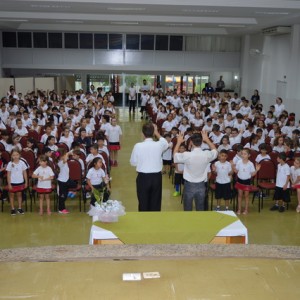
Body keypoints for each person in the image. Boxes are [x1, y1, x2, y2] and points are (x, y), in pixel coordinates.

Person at [173, 130, 218, 211]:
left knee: (187, 209)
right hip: (201, 185)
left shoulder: (187, 155)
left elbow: (175, 156)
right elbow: (215, 151)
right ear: (201, 142)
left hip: (189, 185)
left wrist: (179, 142)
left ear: (191, 142)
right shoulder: (206, 154)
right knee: (200, 209)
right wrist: (207, 139)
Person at [130, 123, 168, 211]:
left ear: (142, 134)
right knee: (155, 202)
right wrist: (157, 133)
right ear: (153, 133)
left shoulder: (138, 146)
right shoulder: (159, 145)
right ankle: (154, 222)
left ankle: (144, 222)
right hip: (156, 177)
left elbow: (133, 162)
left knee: (143, 202)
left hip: (143, 177)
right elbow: (165, 143)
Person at [232, 148, 260, 215]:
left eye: (245, 154)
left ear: (249, 155)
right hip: (239, 181)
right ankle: (239, 209)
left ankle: (246, 209)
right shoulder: (239, 162)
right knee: (240, 195)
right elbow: (236, 171)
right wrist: (233, 166)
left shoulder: (250, 164)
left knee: (246, 196)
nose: (243, 155)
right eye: (242, 154)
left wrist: (256, 170)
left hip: (247, 182)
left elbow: (252, 174)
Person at [6, 149, 28, 216]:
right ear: (11, 156)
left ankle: (19, 208)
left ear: (19, 155)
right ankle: (12, 209)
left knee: (19, 195)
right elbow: (8, 174)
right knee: (12, 196)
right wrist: (9, 184)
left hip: (20, 182)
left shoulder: (22, 163)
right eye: (13, 155)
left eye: (17, 155)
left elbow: (25, 173)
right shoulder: (10, 163)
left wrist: (26, 182)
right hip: (12, 182)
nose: (15, 156)